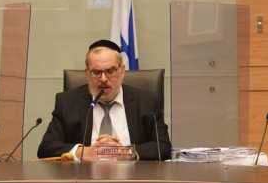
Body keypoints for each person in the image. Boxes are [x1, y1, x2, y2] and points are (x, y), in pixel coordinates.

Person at [37, 40, 171, 161]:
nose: (103, 79)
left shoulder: (146, 102)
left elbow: (164, 147)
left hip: (133, 177)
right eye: (96, 72)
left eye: (110, 71)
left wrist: (128, 152)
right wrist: (82, 152)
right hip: (83, 177)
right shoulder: (67, 102)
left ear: (122, 71)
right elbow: (46, 148)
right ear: (87, 73)